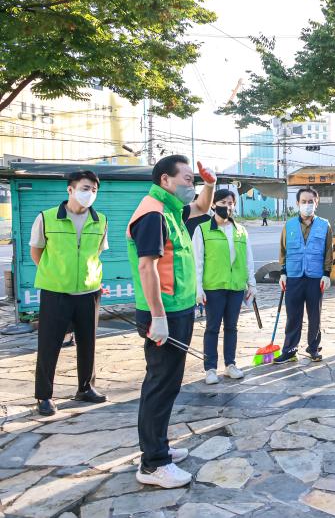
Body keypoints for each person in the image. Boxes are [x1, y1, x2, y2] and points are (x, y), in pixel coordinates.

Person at [127, 155, 215, 488]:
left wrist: (210, 183)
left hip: (177, 309)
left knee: (167, 384)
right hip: (162, 314)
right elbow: (147, 268)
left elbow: (203, 208)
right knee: (160, 386)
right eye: (188, 179)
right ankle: (153, 464)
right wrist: (158, 317)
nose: (191, 185)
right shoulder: (152, 214)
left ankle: (158, 447)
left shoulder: (169, 210)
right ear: (166, 180)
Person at [30, 170, 109, 416]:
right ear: (70, 190)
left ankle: (86, 388)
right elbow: (37, 252)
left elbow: (98, 252)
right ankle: (44, 396)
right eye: (85, 188)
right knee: (49, 345)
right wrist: (57, 274)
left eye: (94, 190)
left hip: (89, 292)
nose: (90, 194)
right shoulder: (46, 218)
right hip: (56, 292)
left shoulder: (101, 220)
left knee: (88, 343)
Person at [192, 189, 256, 384]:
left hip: (235, 286)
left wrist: (251, 284)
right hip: (213, 286)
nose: (227, 206)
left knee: (232, 327)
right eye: (223, 202)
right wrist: (198, 288)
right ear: (213, 205)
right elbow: (197, 261)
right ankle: (210, 368)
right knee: (212, 328)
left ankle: (230, 364)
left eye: (230, 203)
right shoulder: (202, 229)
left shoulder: (241, 230)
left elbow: (248, 259)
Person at [277, 187, 333, 363]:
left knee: (314, 315)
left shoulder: (325, 225)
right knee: (293, 315)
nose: (307, 205)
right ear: (297, 204)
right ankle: (290, 349)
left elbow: (328, 252)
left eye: (311, 202)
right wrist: (283, 273)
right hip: (293, 276)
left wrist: (327, 274)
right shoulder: (289, 225)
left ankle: (313, 347)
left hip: (316, 277)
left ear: (316, 203)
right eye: (304, 202)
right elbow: (283, 250)